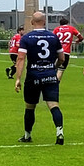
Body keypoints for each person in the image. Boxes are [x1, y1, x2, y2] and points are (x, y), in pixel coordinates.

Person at [14, 12, 65, 145]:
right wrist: (54, 67)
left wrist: (18, 79)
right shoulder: (53, 37)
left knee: (30, 107)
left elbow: (20, 58)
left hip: (33, 76)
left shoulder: (27, 38)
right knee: (53, 105)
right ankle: (59, 132)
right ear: (44, 21)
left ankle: (27, 135)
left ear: (32, 22)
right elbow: (62, 58)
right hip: (50, 75)